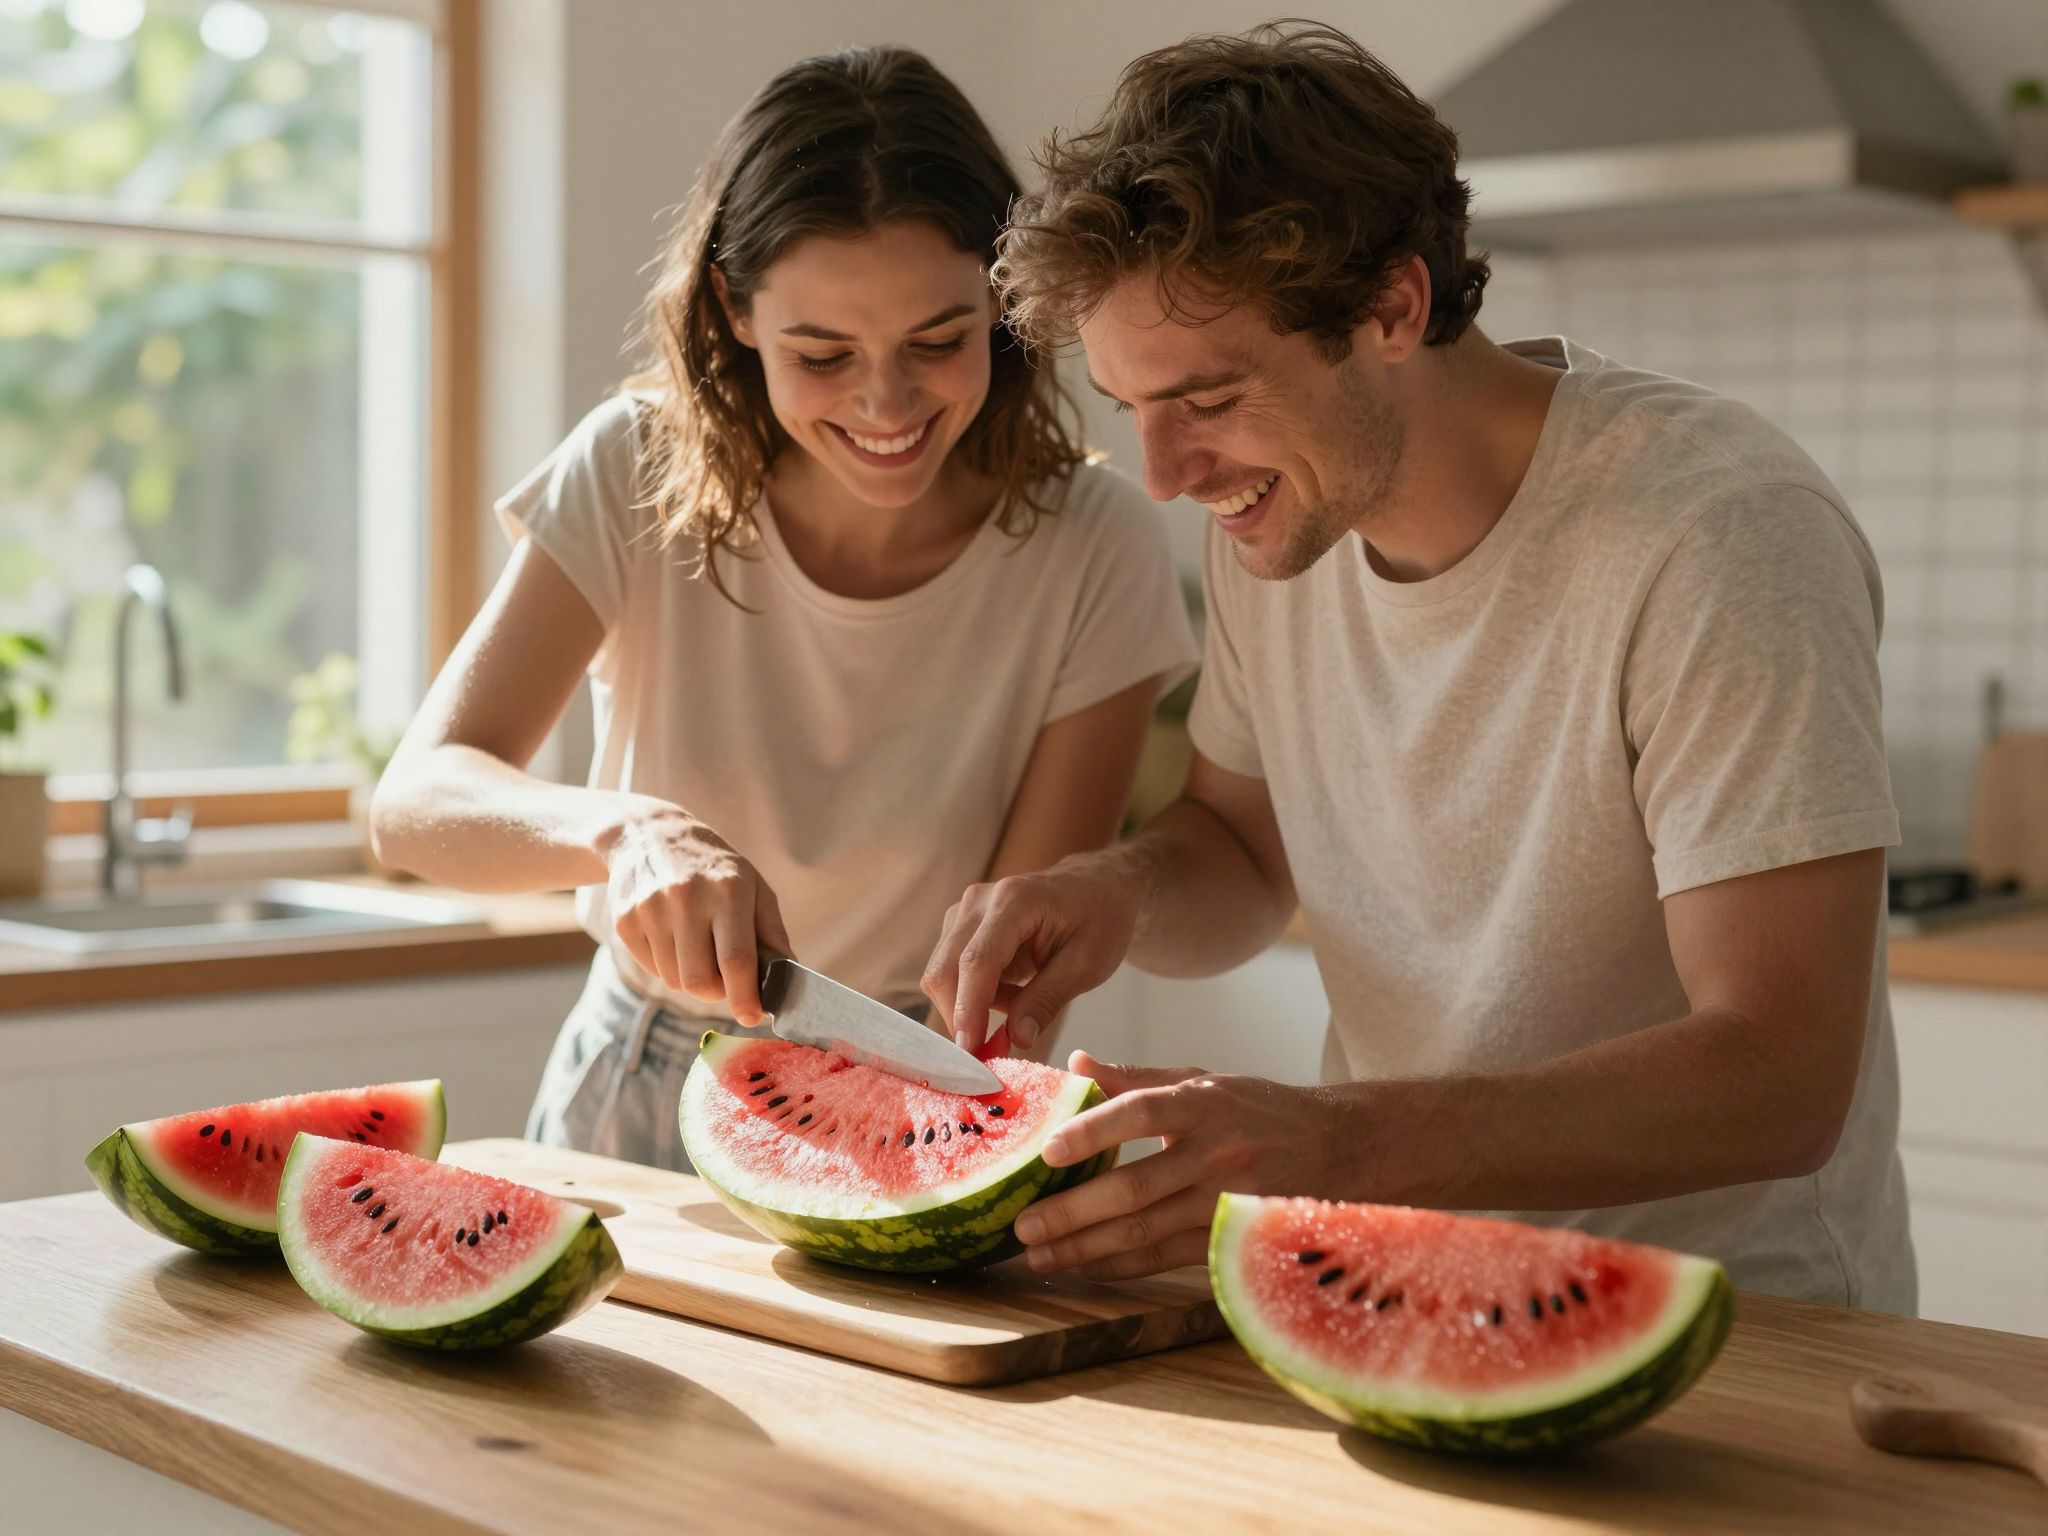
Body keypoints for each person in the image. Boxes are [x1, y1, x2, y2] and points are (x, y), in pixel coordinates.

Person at [922, 21, 1913, 1311]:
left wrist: (1331, 1141)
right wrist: (1110, 892)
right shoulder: (1278, 518)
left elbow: (1779, 1074)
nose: (1164, 477)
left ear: (1393, 306)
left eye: (1208, 400)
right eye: (1131, 411)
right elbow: (1235, 847)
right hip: (1393, 1288)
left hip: (1726, 1332)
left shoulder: (1715, 532)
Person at [371, 46, 1196, 1172]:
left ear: (1004, 305)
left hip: (922, 1072)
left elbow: (1016, 970)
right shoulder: (632, 467)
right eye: (821, 352)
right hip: (642, 1075)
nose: (886, 405)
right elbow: (414, 805)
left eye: (937, 342)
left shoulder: (1094, 546)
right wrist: (623, 832)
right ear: (735, 308)